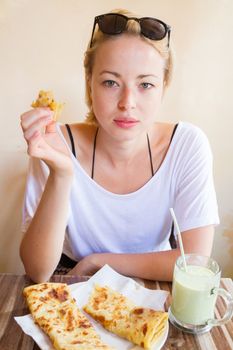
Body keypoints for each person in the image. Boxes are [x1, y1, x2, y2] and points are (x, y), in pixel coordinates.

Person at [20, 9, 219, 283]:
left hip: (154, 284)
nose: (128, 102)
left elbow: (195, 262)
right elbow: (37, 271)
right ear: (90, 84)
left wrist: (100, 262)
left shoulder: (188, 145)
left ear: (164, 87)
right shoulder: (55, 142)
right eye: (111, 82)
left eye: (146, 84)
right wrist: (62, 173)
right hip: (72, 282)